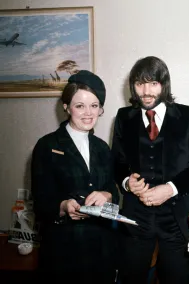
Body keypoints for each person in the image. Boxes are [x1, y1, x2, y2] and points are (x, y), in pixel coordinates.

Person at [112, 56, 189, 284]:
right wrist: (127, 182)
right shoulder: (123, 117)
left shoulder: (188, 116)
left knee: (176, 278)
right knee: (130, 277)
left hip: (178, 216)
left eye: (153, 83)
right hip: (136, 216)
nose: (146, 91)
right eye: (140, 83)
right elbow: (117, 161)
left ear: (164, 85)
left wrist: (171, 188)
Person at [31, 70, 119, 282]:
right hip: (63, 253)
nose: (88, 113)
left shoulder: (102, 148)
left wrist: (107, 196)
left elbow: (114, 194)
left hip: (101, 250)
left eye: (94, 105)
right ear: (66, 107)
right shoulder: (47, 146)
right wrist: (63, 206)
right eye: (80, 105)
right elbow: (40, 203)